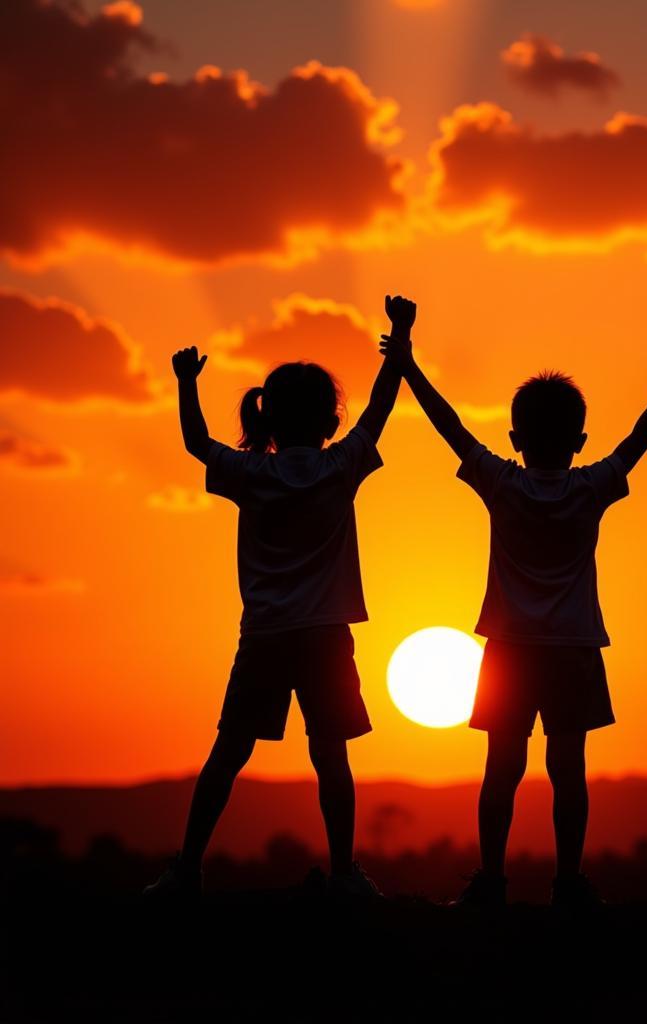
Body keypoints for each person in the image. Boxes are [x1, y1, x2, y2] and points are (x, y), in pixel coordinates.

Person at [380, 302, 647, 909]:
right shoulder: (592, 486)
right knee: (568, 770)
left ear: (515, 438)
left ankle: (491, 881)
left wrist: (407, 357)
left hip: (510, 650)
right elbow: (643, 435)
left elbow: (449, 426)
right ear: (579, 440)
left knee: (501, 769)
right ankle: (568, 882)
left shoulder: (502, 483)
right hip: (573, 650)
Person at [143, 295, 415, 902]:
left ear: (269, 420)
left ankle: (186, 870)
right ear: (330, 421)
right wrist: (398, 338)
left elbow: (195, 442)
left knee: (227, 754)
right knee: (332, 758)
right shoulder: (342, 464)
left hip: (264, 636)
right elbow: (382, 406)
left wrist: (186, 383)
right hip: (325, 636)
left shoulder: (251, 473)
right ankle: (345, 874)